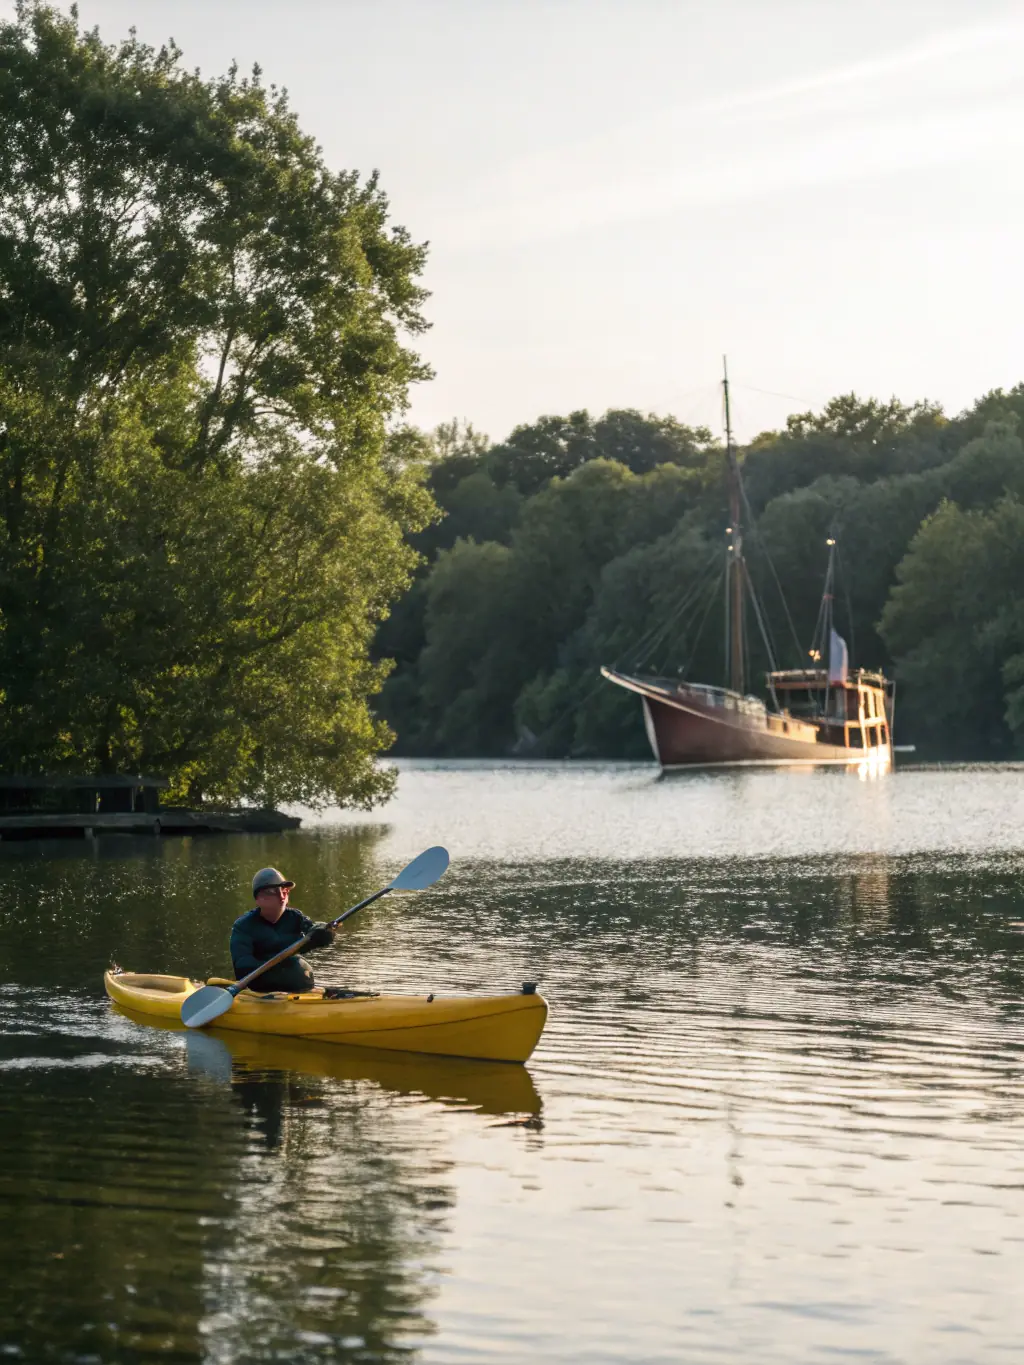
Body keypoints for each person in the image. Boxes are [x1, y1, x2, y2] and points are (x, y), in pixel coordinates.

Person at [229, 867, 335, 994]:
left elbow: (314, 931)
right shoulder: (243, 926)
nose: (281, 896)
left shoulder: (295, 917)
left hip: (298, 989)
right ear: (259, 898)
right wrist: (280, 967)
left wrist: (325, 932)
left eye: (284, 891)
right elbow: (242, 966)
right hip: (262, 990)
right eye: (273, 891)